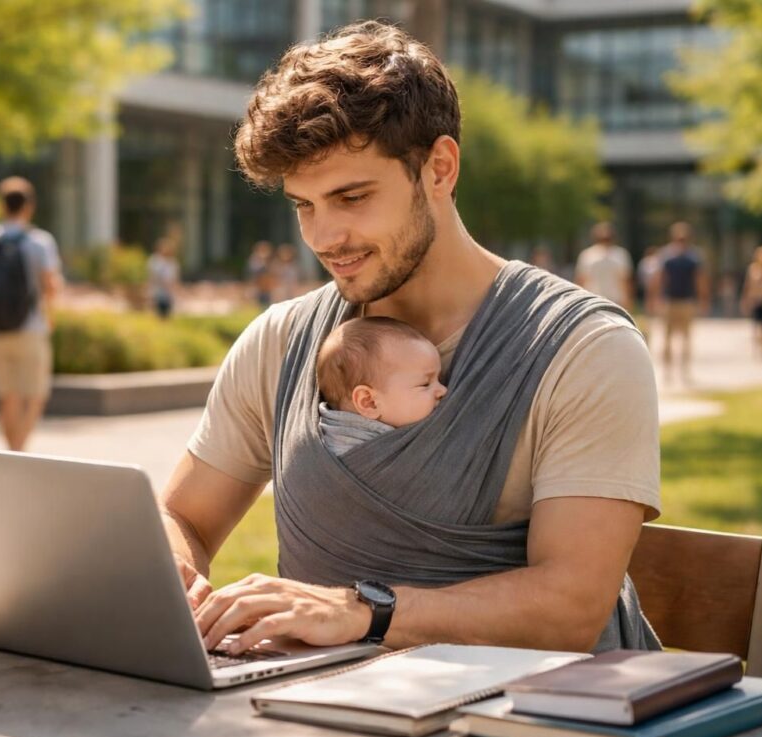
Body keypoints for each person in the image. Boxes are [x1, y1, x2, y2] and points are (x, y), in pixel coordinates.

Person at [159, 22, 661, 658]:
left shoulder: (585, 351)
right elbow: (183, 517)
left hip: (539, 731)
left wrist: (359, 610)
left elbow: (570, 609)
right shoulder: (282, 342)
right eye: (304, 205)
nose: (323, 237)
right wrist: (178, 583)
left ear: (440, 169)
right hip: (317, 716)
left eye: (352, 196)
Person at [0, 177, 63, 452]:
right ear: (29, 206)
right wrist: (51, 315)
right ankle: (19, 450)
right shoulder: (40, 242)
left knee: (7, 396)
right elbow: (50, 286)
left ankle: (12, 451)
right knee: (35, 395)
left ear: (1, 206)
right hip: (31, 327)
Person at [316, 316, 448, 456]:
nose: (444, 390)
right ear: (369, 402)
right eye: (425, 384)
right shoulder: (343, 451)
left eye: (439, 379)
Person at [658, 221, 709, 384]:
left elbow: (700, 279)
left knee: (686, 338)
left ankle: (684, 370)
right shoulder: (666, 256)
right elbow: (660, 278)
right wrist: (656, 298)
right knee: (667, 338)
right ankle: (667, 371)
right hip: (670, 300)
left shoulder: (694, 257)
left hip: (686, 301)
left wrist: (703, 299)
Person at [575, 222, 633, 309]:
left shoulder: (587, 254)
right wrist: (628, 299)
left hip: (598, 299)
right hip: (601, 299)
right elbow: (625, 280)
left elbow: (581, 280)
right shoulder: (620, 254)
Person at [148, 237, 180, 319]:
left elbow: (175, 278)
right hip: (158, 292)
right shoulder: (155, 261)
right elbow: (153, 277)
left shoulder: (172, 262)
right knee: (159, 315)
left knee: (167, 315)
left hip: (169, 294)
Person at [247, 241, 275, 308]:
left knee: (267, 303)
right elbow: (254, 272)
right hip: (258, 286)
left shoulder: (270, 260)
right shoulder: (255, 260)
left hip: (267, 287)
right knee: (259, 304)